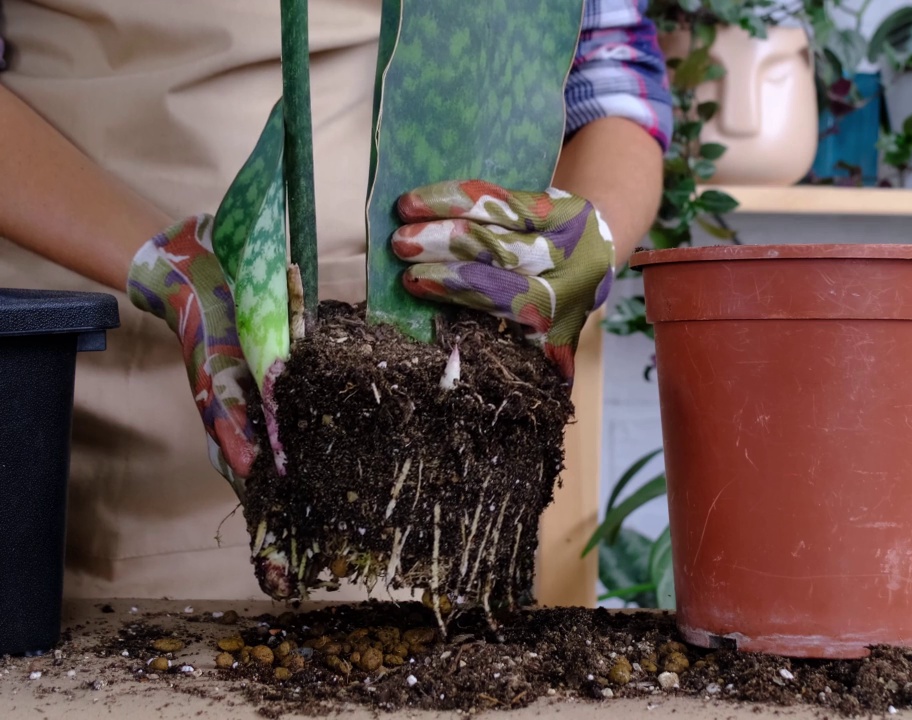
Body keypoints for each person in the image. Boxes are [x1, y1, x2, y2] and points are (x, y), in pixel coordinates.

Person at [0, 0, 672, 600]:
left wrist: (595, 234)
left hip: (434, 366)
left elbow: (609, 65)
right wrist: (166, 267)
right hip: (92, 349)